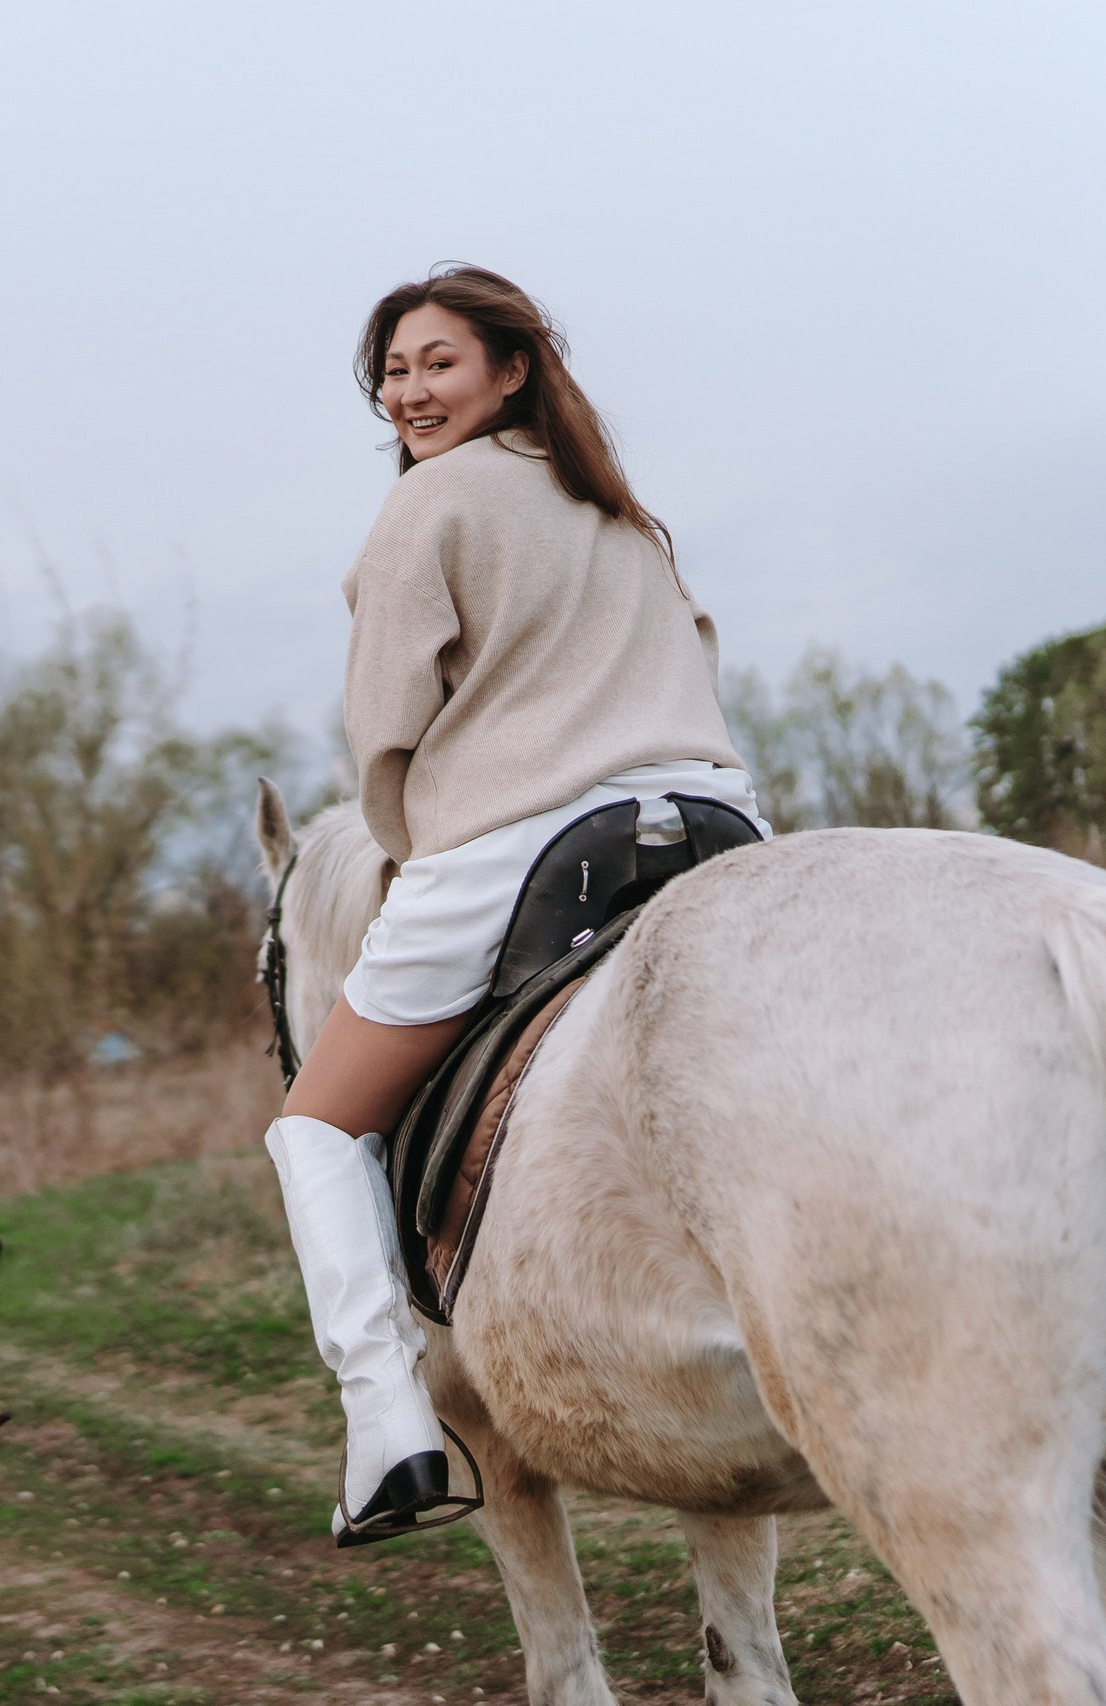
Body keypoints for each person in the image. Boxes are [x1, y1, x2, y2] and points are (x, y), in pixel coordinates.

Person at [263, 269, 767, 1547]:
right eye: (392, 371)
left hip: (522, 844)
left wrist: (408, 841)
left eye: (436, 362)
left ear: (511, 368)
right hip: (712, 818)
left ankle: (387, 1423)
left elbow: (386, 730)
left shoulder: (427, 504)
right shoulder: (622, 512)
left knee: (313, 1125)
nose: (409, 392)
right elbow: (699, 658)